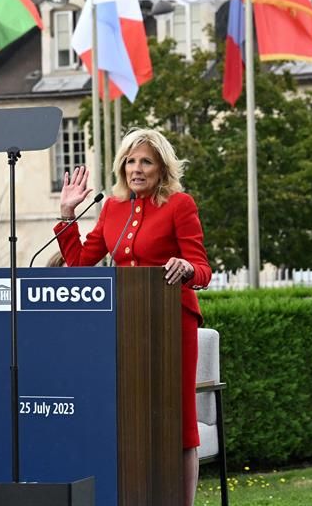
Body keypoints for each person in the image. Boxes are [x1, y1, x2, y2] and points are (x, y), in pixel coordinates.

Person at [54, 128, 211, 505]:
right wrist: (66, 215)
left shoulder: (179, 204)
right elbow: (78, 264)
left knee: (179, 424)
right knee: (131, 418)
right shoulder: (112, 208)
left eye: (145, 161)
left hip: (174, 322)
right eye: (130, 161)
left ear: (161, 168)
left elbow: (203, 268)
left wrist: (185, 268)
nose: (136, 169)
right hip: (125, 324)